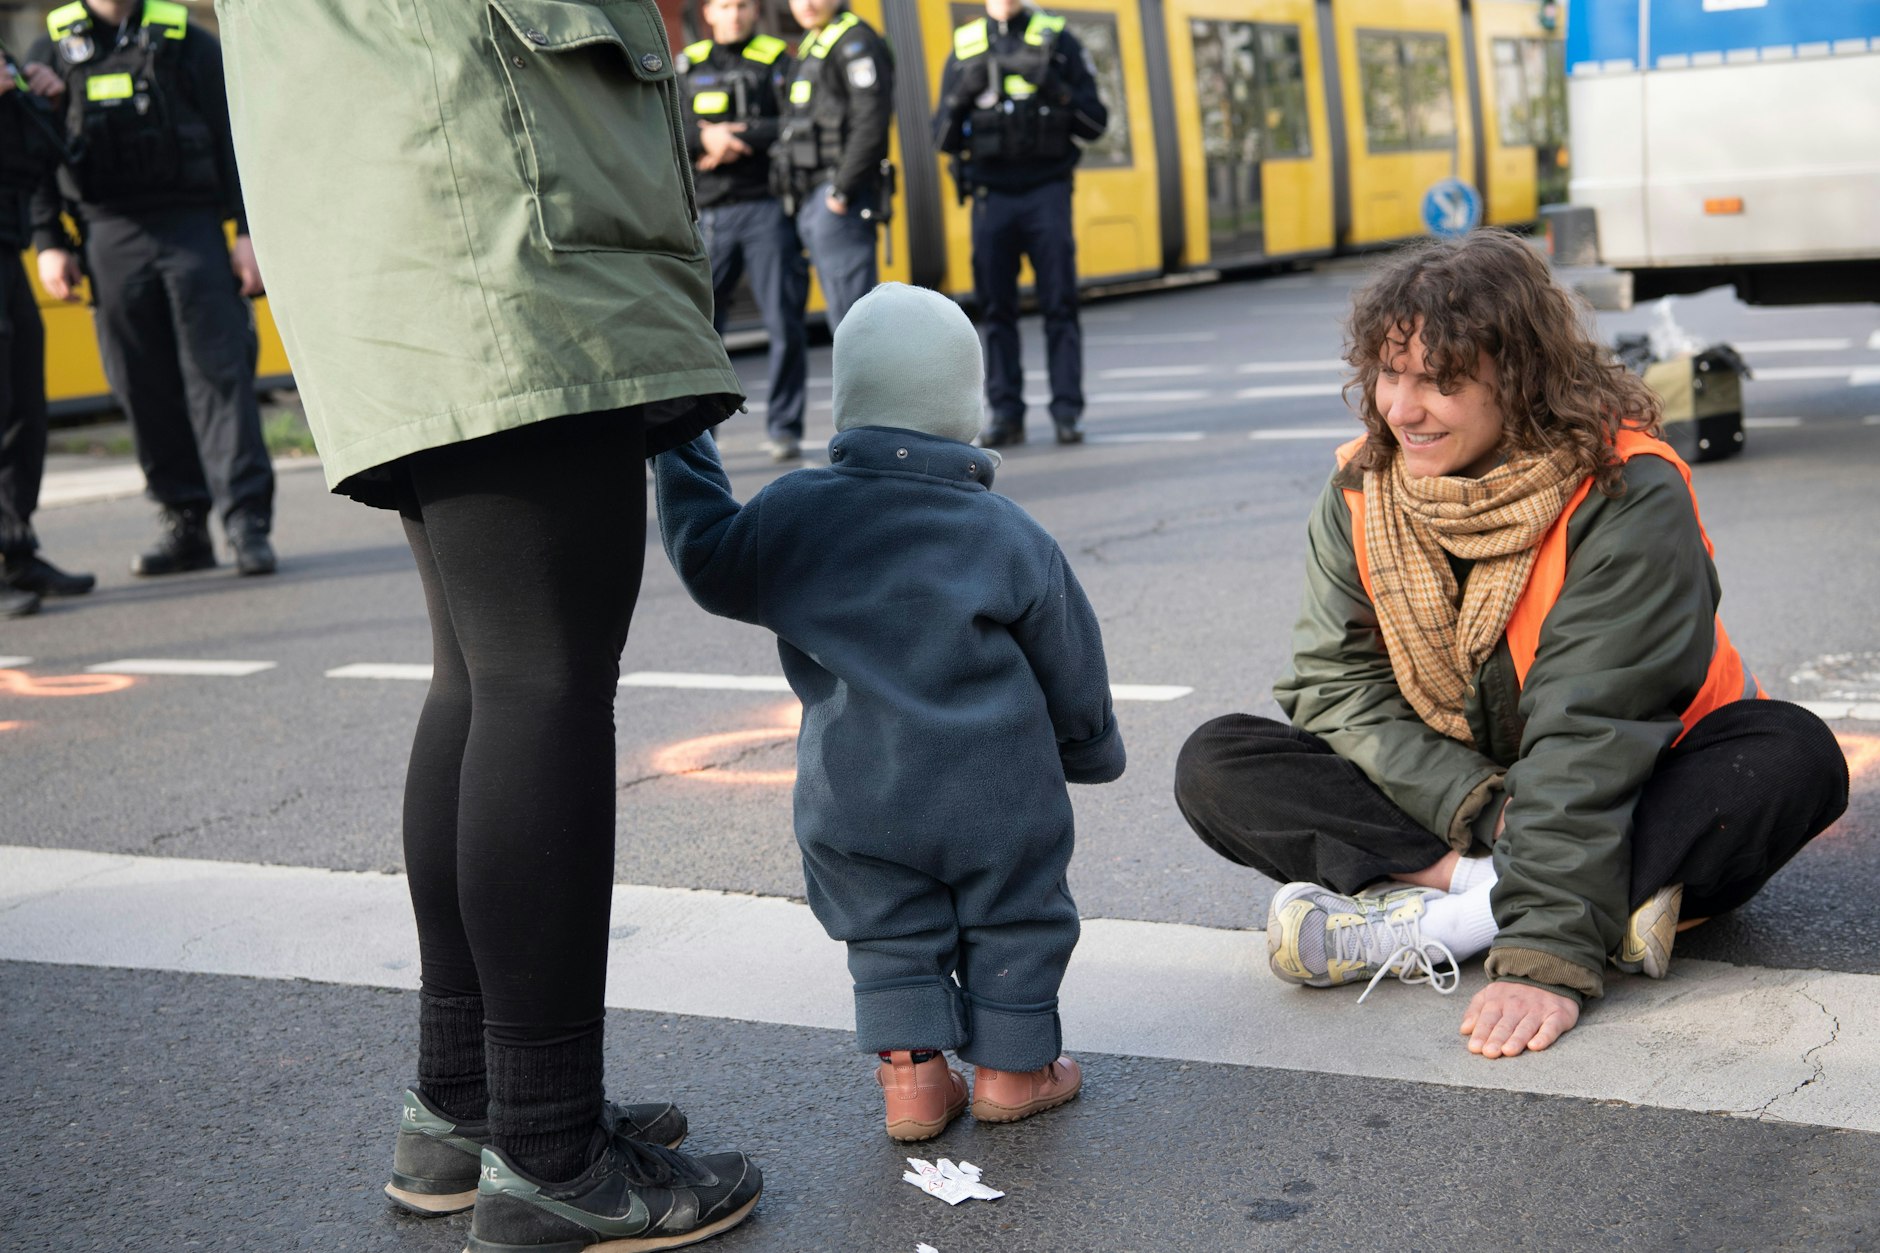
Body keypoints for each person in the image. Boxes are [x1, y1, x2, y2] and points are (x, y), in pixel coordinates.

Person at [214, 0, 762, 1248]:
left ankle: (467, 1106)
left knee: (480, 672)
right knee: (542, 680)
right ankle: (553, 1151)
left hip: (391, 185)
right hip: (496, 185)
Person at [1174, 231, 1848, 1060]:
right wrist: (1481, 806)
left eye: (1440, 383)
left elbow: (1590, 728)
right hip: (1458, 799)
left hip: (1640, 777)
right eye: (1390, 374)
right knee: (1217, 762)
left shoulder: (1627, 490)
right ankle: (1544, 899)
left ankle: (1440, 920)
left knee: (1793, 755)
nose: (1401, 409)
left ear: (1522, 382)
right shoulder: (1361, 486)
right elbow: (1336, 686)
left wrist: (1545, 957)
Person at [654, 282, 1125, 1140]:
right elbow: (1072, 659)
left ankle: (910, 1084)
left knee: (885, 924)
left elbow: (707, 556)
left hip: (856, 792)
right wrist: (1089, 747)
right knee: (1017, 908)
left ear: (849, 398)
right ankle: (1015, 1072)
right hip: (999, 792)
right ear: (965, 406)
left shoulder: (796, 513)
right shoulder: (1005, 531)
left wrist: (682, 439)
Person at [28, 0, 276, 578]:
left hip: (191, 229)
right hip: (105, 234)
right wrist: (48, 241)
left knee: (220, 377)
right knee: (140, 384)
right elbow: (34, 144)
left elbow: (233, 131)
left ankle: (246, 524)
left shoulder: (185, 37)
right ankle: (184, 522)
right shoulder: (53, 47)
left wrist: (246, 229)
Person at [934, 1, 1106, 448]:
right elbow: (941, 137)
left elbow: (1095, 122)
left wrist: (1056, 87)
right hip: (992, 197)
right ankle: (1006, 415)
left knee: (1060, 305)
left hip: (1046, 193)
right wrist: (959, 98)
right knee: (996, 310)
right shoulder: (966, 45)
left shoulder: (1059, 39)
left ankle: (1068, 413)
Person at [680, 0, 810, 463]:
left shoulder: (779, 59)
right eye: (724, 6)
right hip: (709, 213)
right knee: (700, 330)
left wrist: (735, 138)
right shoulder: (687, 65)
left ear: (754, 12)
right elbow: (669, 125)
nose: (733, 15)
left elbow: (796, 121)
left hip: (765, 209)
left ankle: (785, 429)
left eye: (742, 6)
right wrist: (705, 139)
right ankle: (700, 437)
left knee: (784, 322)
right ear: (708, 14)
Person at [0, 44, 94, 616]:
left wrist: (48, 106)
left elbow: (30, 165)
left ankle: (16, 549)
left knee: (23, 409)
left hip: (6, 250)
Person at [776, 0, 893, 331]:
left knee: (854, 324)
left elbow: (871, 122)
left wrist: (840, 193)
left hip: (840, 196)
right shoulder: (815, 42)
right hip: (815, 197)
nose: (807, 4)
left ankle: (868, 385)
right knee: (843, 322)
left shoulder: (855, 41)